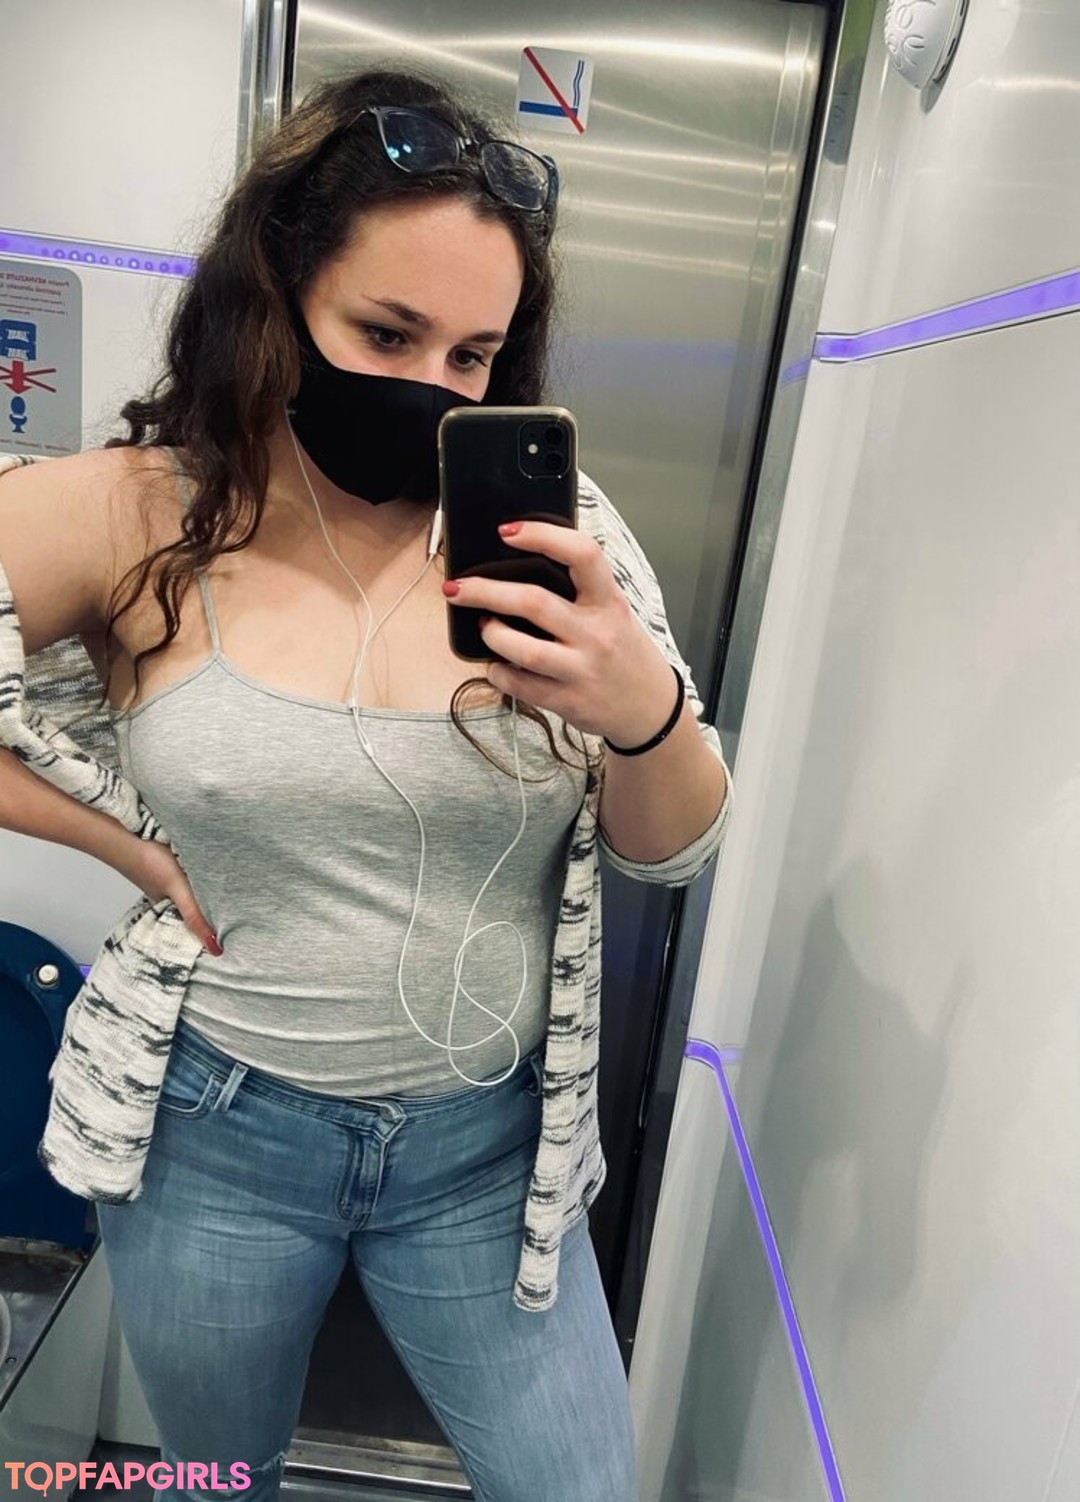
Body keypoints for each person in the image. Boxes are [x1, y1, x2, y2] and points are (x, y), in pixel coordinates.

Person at [0, 69, 730, 1502]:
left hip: (485, 1154)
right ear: (273, 298)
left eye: (474, 354)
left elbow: (674, 851)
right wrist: (118, 842)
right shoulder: (142, 510)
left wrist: (640, 709)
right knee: (226, 1479)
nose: (432, 384)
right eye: (386, 332)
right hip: (216, 1134)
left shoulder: (558, 533)